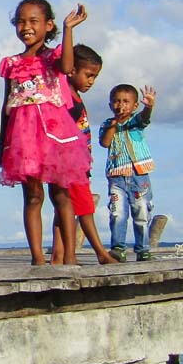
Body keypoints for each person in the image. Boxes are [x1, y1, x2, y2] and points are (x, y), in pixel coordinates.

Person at [0, 0, 91, 265]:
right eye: (21, 21)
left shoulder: (54, 57)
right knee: (33, 196)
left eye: (33, 21)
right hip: (23, 139)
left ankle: (70, 256)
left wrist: (69, 28)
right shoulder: (11, 64)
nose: (26, 27)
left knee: (61, 194)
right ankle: (37, 258)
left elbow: (67, 67)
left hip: (55, 135)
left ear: (48, 25)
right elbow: (8, 106)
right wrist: (4, 143)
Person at [51, 45, 115, 264]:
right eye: (88, 75)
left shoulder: (76, 97)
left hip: (79, 165)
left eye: (95, 77)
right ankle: (101, 252)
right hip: (69, 164)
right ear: (71, 70)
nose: (91, 81)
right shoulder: (65, 96)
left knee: (63, 210)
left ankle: (58, 255)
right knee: (85, 209)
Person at [98, 83, 157, 262]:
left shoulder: (135, 122)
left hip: (139, 175)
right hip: (117, 177)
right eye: (116, 101)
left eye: (125, 101)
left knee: (141, 212)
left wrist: (149, 106)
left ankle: (143, 249)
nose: (120, 105)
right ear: (110, 105)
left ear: (134, 106)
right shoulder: (107, 124)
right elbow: (105, 143)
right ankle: (118, 248)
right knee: (117, 213)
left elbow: (145, 119)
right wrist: (113, 126)